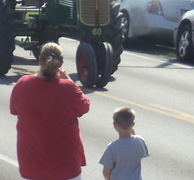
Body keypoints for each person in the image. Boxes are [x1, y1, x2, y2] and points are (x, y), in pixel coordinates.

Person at [10, 43, 90, 180]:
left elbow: (14, 109)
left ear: (40, 61)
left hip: (32, 165)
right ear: (61, 63)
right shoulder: (68, 88)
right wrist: (68, 80)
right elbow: (84, 106)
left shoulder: (23, 84)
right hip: (66, 166)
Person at [99, 107, 149, 180]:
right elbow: (143, 153)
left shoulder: (112, 148)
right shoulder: (140, 141)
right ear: (133, 124)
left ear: (115, 125)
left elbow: (106, 172)